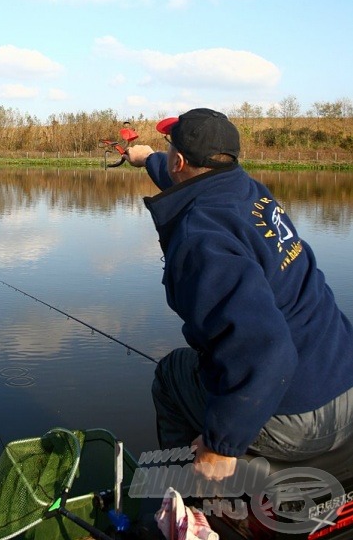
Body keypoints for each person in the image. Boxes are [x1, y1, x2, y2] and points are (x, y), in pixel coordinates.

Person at [125, 108, 353, 480]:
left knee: (172, 374)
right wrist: (145, 157)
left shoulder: (200, 240)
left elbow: (267, 349)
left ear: (180, 159)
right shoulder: (250, 193)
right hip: (346, 384)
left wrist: (221, 444)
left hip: (300, 417)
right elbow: (186, 180)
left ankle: (193, 502)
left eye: (169, 150)